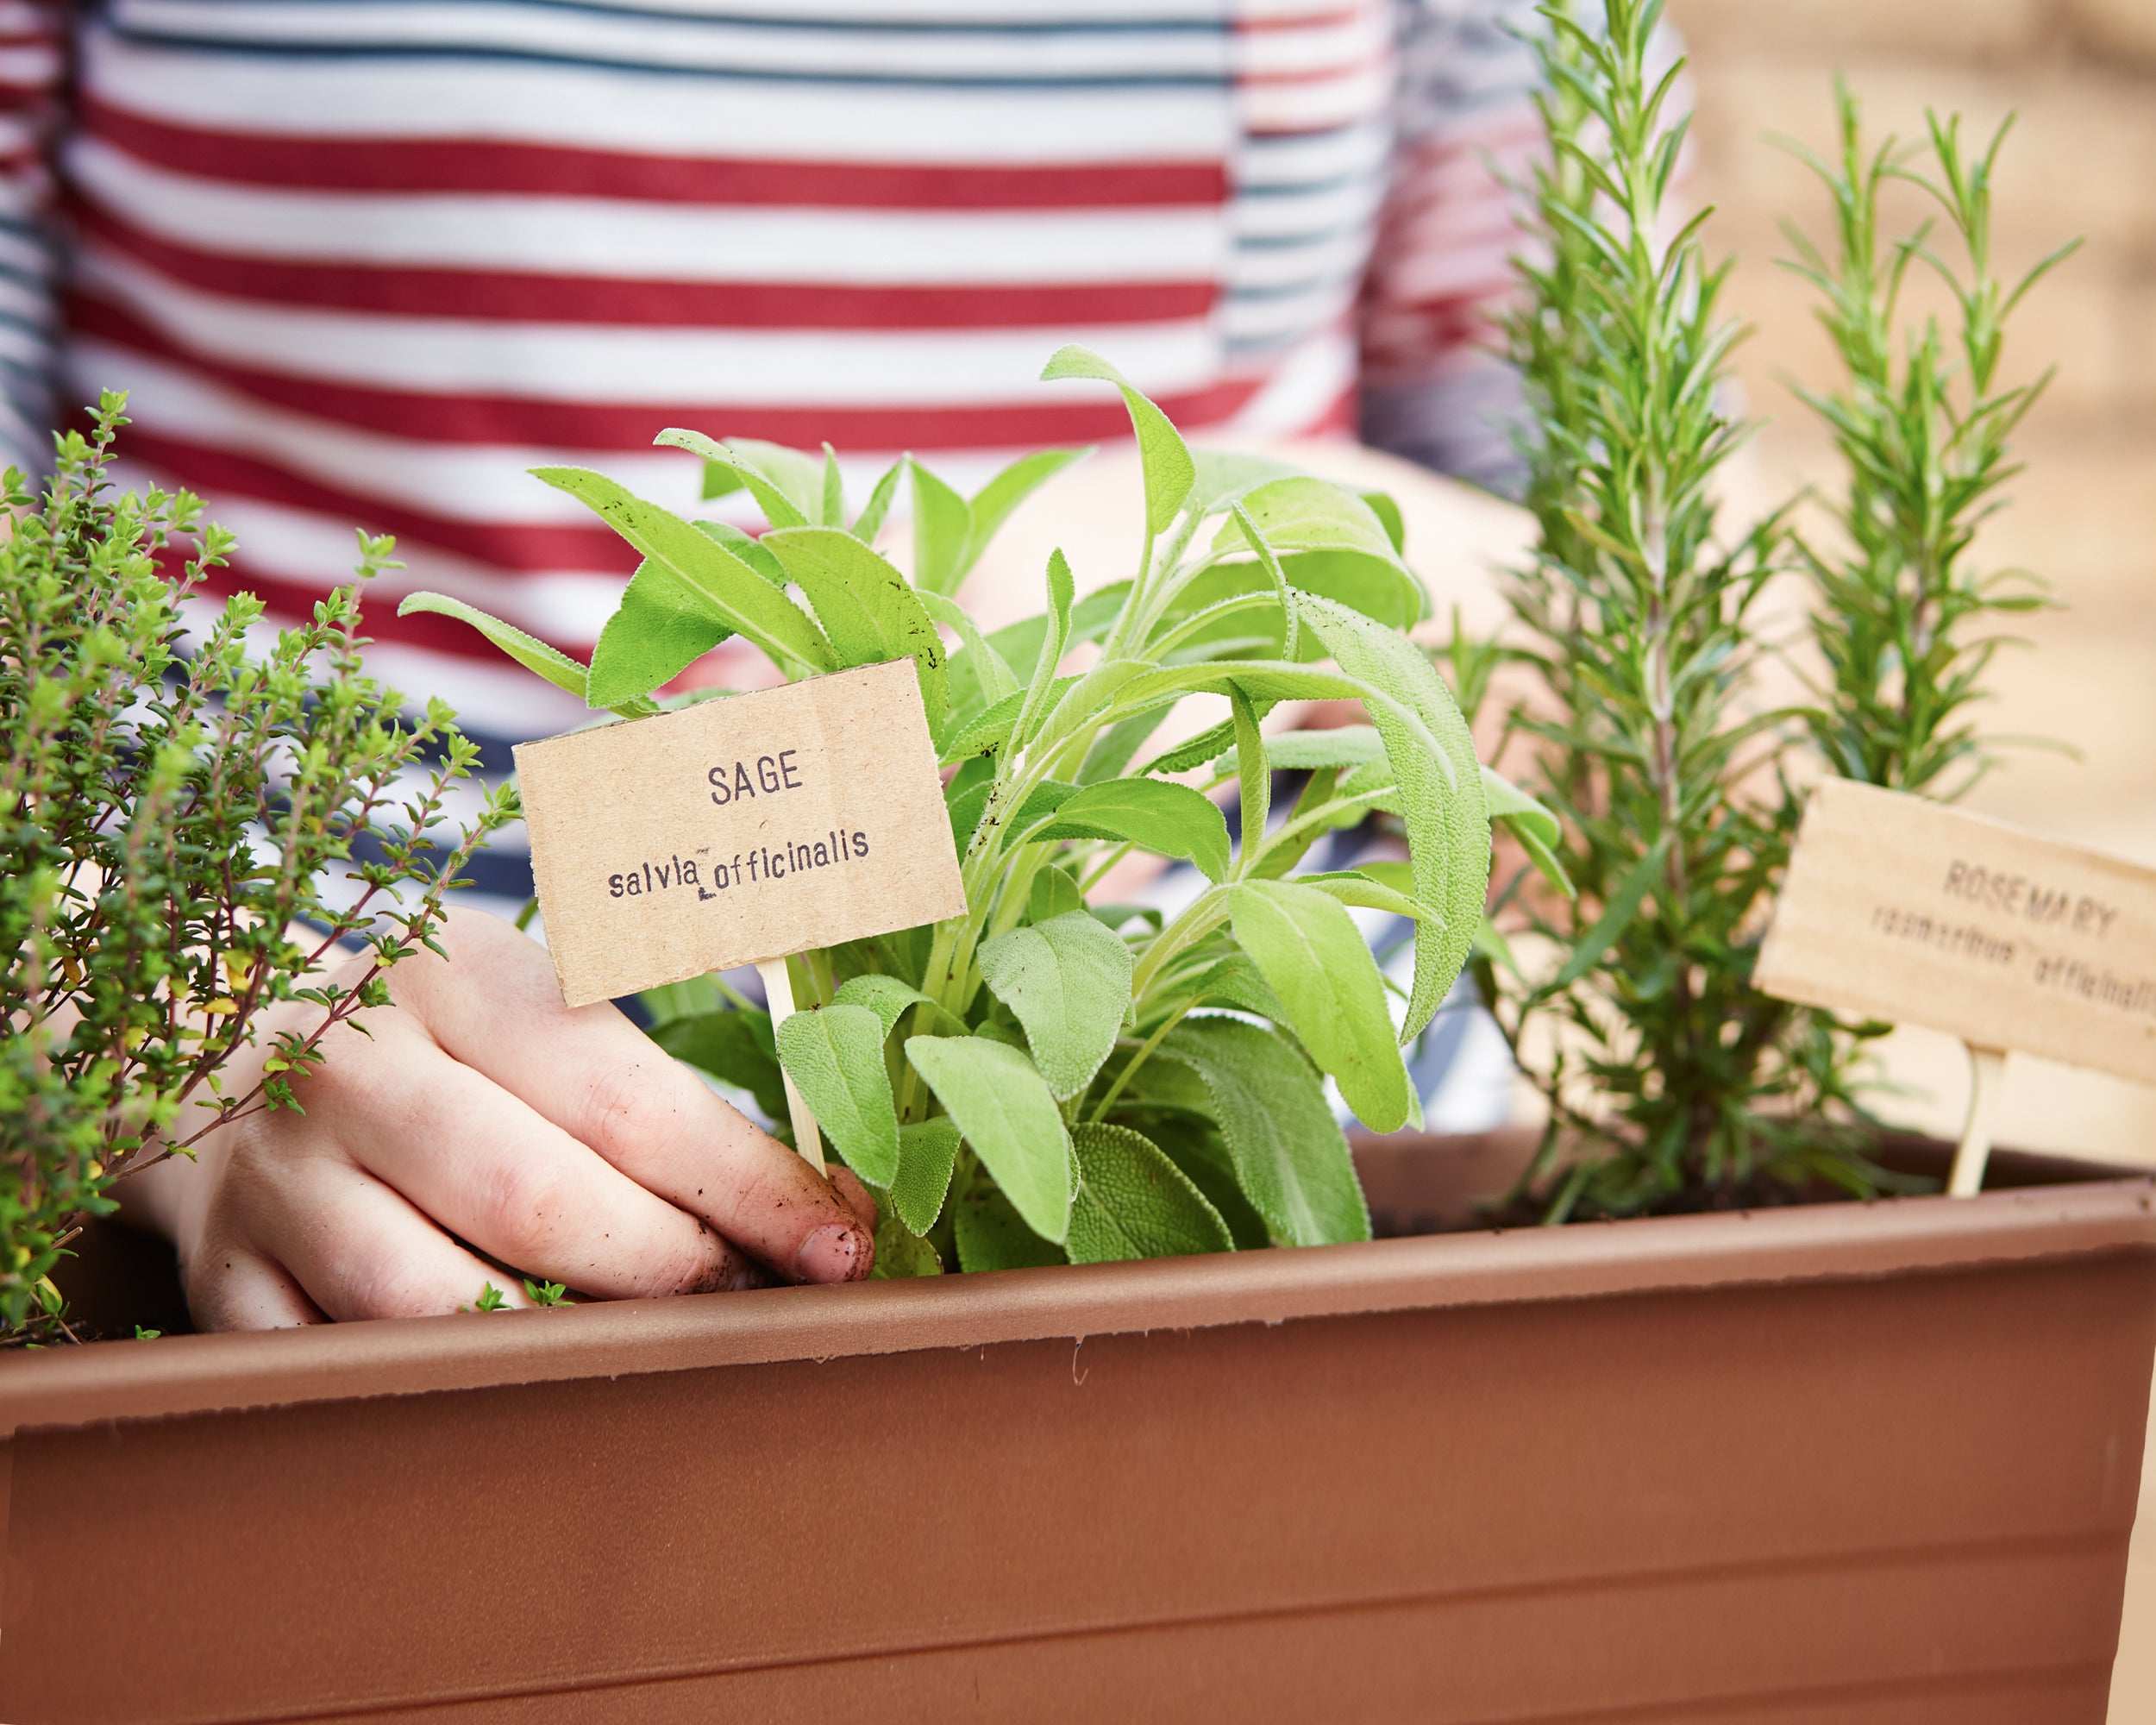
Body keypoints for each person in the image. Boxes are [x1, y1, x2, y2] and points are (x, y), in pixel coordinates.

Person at [0, 0, 1545, 1326]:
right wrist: (142, 1019)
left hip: (1276, 1244)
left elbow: (1598, 541)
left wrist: (1265, 572)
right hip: (344, 1200)